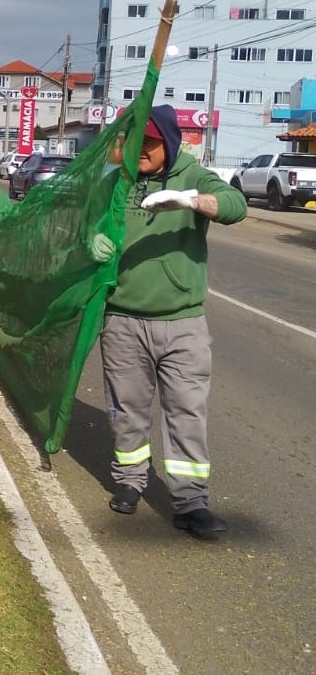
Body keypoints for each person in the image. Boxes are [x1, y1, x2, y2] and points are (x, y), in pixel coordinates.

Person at [89, 104, 248, 540]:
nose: (142, 150)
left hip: (182, 324)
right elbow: (88, 222)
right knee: (127, 409)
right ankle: (129, 480)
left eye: (152, 142)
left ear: (171, 142)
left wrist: (189, 200)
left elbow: (236, 206)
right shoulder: (118, 181)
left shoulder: (192, 175)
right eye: (137, 140)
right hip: (123, 320)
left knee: (186, 412)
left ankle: (191, 502)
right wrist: (93, 240)